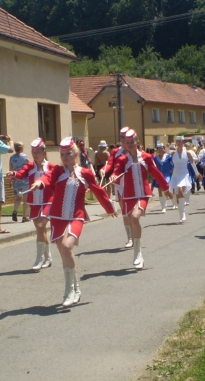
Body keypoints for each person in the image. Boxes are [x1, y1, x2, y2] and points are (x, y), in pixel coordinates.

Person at [29, 137, 117, 307]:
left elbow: (98, 190)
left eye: (68, 153)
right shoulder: (57, 171)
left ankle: (70, 290)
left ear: (75, 153)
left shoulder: (85, 173)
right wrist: (39, 183)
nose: (65, 157)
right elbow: (46, 178)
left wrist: (109, 208)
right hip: (57, 218)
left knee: (67, 246)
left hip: (76, 216)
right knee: (64, 254)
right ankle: (73, 288)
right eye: (62, 154)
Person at [110, 130, 173, 269]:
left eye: (133, 142)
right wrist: (114, 176)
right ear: (125, 144)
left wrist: (166, 188)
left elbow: (156, 173)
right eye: (128, 143)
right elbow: (117, 171)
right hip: (128, 196)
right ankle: (137, 252)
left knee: (134, 217)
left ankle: (137, 253)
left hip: (143, 194)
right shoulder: (122, 160)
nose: (130, 145)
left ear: (137, 142)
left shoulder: (147, 157)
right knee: (132, 220)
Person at [7, 138, 56, 270]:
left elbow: (57, 181)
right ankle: (48, 257)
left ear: (44, 152)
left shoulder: (51, 166)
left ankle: (39, 259)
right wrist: (13, 173)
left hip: (48, 201)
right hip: (34, 202)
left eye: (37, 152)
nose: (35, 154)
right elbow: (21, 172)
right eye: (33, 152)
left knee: (41, 225)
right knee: (40, 229)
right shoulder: (30, 166)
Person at [100, 127, 133, 248]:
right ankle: (130, 237)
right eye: (121, 138)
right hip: (120, 185)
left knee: (132, 213)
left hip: (132, 185)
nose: (123, 140)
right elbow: (110, 164)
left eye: (125, 138)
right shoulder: (115, 151)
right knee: (125, 212)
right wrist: (104, 170)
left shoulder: (133, 150)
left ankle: (135, 234)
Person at [170, 136, 201, 223]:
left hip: (184, 174)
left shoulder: (187, 153)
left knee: (180, 191)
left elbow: (192, 163)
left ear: (183, 142)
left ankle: (183, 214)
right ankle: (181, 214)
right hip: (176, 175)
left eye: (180, 141)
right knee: (177, 195)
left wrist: (197, 174)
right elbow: (168, 163)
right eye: (177, 141)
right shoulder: (172, 153)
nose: (179, 143)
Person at [9, 141, 29, 223]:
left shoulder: (12, 158)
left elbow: (10, 169)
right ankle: (24, 216)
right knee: (26, 199)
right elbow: (29, 167)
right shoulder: (25, 157)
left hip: (16, 180)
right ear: (21, 148)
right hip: (25, 180)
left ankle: (15, 211)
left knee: (18, 198)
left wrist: (10, 180)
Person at [151, 143, 171, 212]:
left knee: (165, 188)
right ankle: (163, 207)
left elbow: (173, 161)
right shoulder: (155, 158)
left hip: (166, 174)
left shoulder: (168, 156)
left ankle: (169, 200)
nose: (161, 149)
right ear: (157, 150)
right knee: (160, 190)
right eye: (159, 148)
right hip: (159, 175)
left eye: (162, 148)